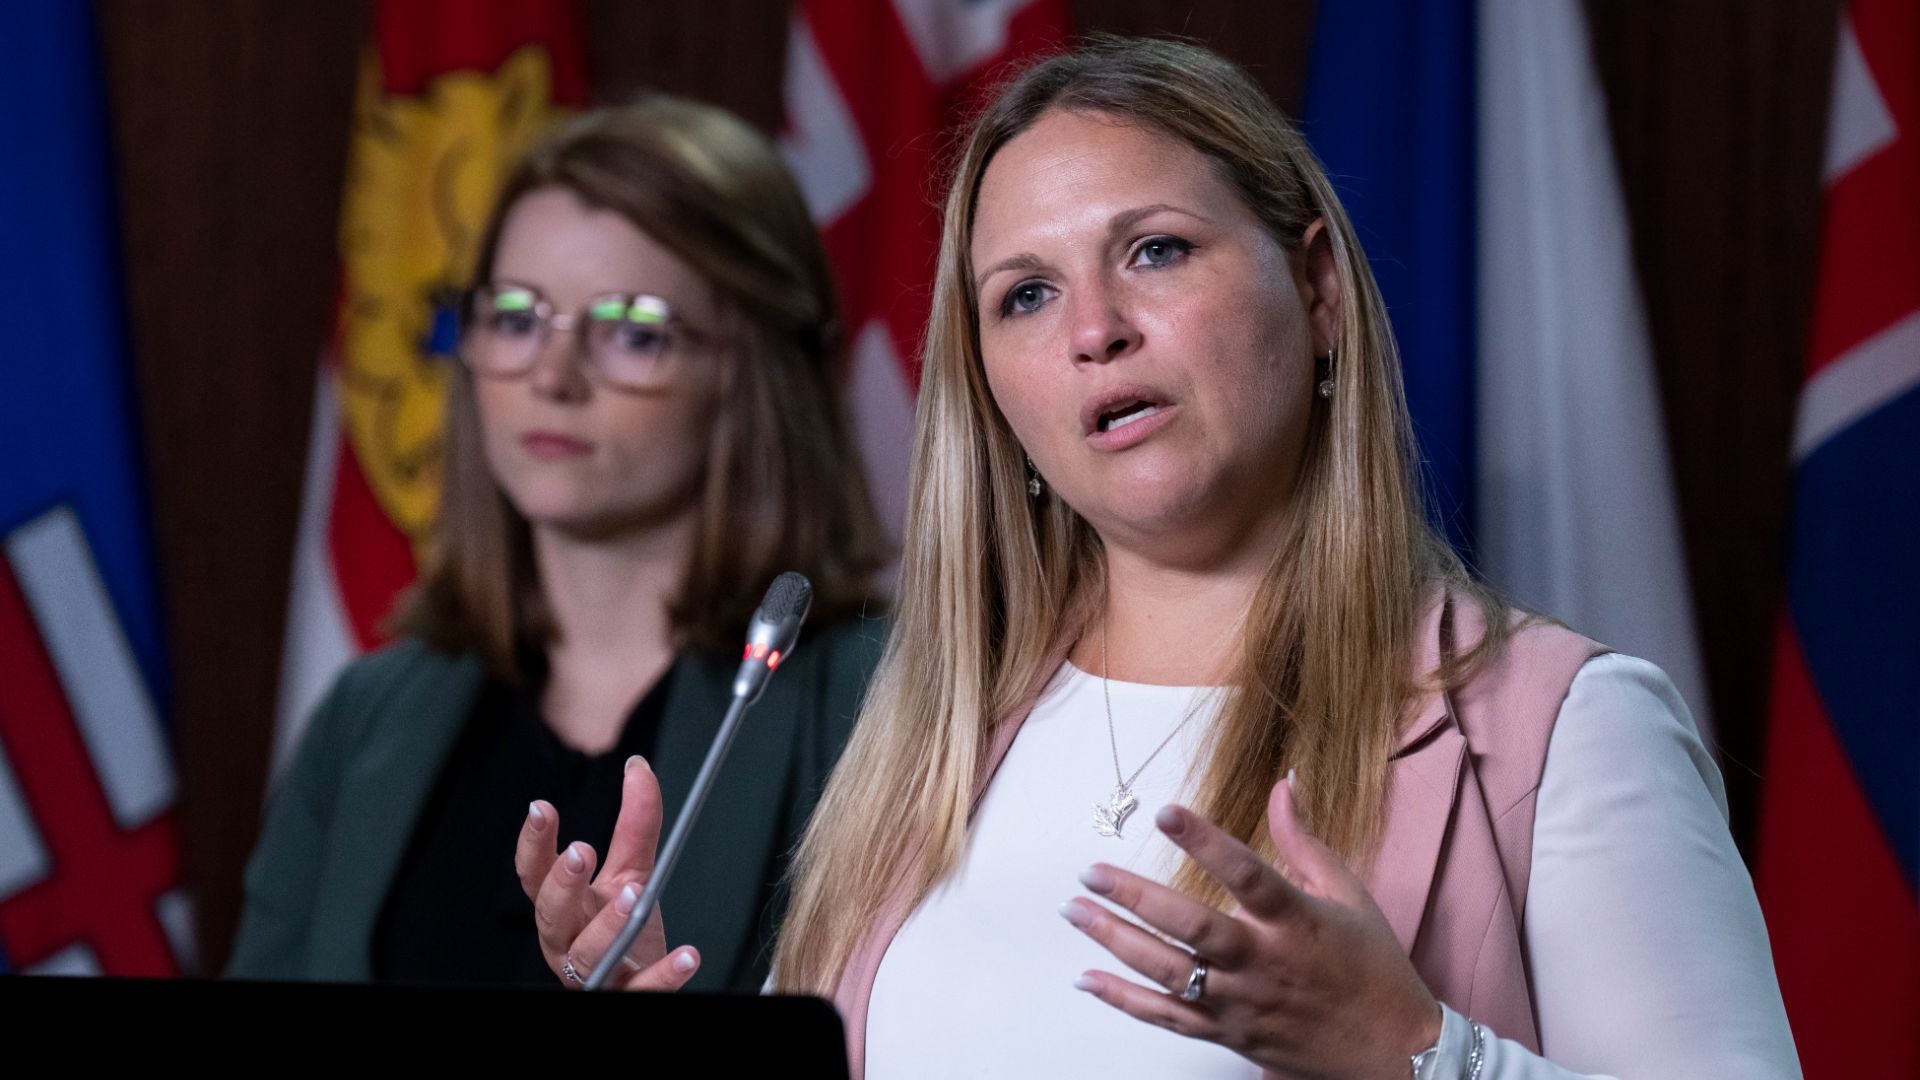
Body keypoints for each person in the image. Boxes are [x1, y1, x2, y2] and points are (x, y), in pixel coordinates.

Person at [518, 38, 1801, 1078]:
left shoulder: (1559, 731)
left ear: (1318, 295)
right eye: (1025, 293)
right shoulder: (932, 739)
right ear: (995, 399)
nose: (1095, 331)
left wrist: (1420, 1057)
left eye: (1155, 251)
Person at [228, 96, 887, 993]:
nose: (551, 375)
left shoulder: (883, 699)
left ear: (752, 369)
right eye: (514, 317)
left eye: (630, 329)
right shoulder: (366, 715)